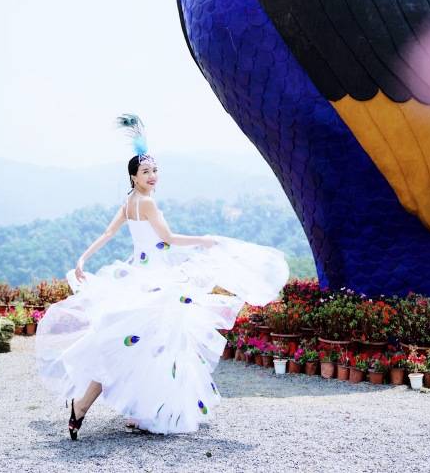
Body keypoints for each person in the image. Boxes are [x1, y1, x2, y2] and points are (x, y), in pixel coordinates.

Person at [36, 115, 289, 438]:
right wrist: (205, 239)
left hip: (139, 277)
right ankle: (89, 406)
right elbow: (168, 240)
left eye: (155, 170)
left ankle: (126, 409)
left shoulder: (129, 202)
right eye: (146, 172)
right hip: (154, 280)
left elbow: (109, 233)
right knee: (144, 345)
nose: (153, 176)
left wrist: (84, 257)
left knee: (138, 345)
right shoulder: (147, 204)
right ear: (133, 177)